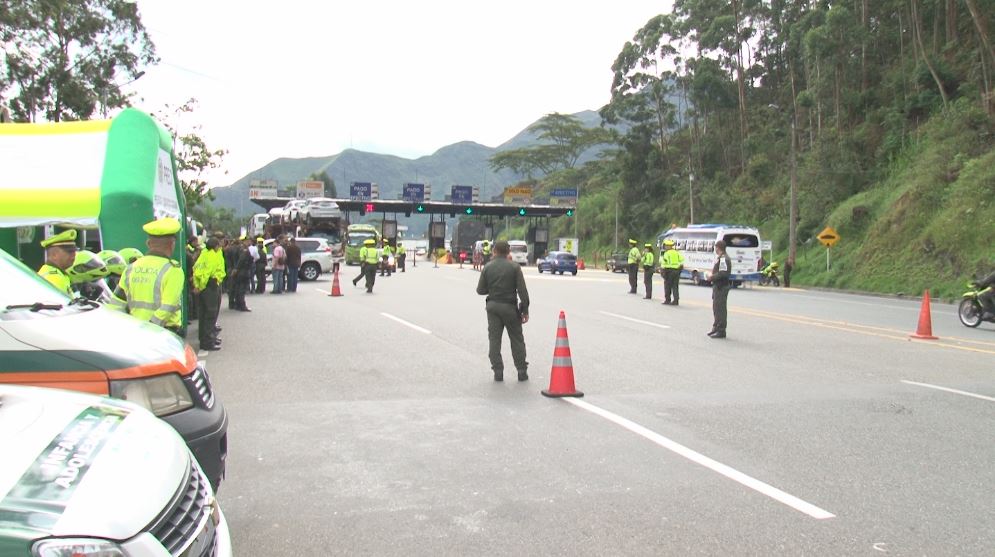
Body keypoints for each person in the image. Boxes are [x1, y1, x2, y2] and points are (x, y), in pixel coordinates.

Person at [108, 217, 185, 334]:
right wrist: (150, 328)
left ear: (148, 243)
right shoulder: (173, 270)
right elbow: (168, 307)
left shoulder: (131, 268)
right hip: (164, 334)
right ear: (172, 244)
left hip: (135, 332)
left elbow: (116, 304)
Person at [476, 240, 530, 382]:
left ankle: (498, 372)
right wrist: (525, 310)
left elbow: (480, 290)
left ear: (494, 251)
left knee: (494, 340)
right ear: (508, 252)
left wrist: (493, 289)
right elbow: (522, 291)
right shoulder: (514, 267)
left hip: (493, 307)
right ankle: (521, 371)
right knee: (517, 339)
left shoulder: (488, 267)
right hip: (510, 308)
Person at [192, 237, 225, 351]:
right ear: (216, 246)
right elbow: (206, 273)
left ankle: (204, 339)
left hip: (204, 287)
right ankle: (207, 342)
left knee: (203, 314)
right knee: (210, 315)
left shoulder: (203, 254)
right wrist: (201, 286)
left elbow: (196, 270)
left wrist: (197, 286)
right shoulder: (212, 256)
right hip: (209, 287)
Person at [37, 229, 78, 297]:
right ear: (54, 255)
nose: (74, 254)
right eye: (69, 251)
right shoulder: (53, 277)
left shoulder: (58, 273)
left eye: (74, 251)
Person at [708, 240, 732, 339]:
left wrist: (711, 277)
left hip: (721, 286)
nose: (715, 249)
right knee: (716, 307)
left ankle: (721, 330)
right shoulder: (721, 258)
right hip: (718, 286)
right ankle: (716, 327)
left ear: (719, 248)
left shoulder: (724, 259)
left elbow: (723, 273)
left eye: (716, 247)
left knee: (720, 309)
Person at [231, 236, 254, 311]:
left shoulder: (236, 248)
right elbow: (242, 260)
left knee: (238, 289)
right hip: (243, 271)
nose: (249, 242)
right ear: (244, 241)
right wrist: (236, 269)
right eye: (248, 241)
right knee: (242, 289)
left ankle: (237, 304)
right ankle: (242, 305)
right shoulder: (244, 250)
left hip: (239, 271)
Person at [660, 239, 685, 305]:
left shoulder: (666, 253)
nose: (664, 247)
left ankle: (667, 300)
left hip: (668, 271)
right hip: (677, 271)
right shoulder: (677, 253)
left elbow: (663, 263)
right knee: (675, 286)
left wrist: (662, 270)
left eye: (665, 246)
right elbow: (682, 260)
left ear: (668, 246)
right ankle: (676, 300)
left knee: (667, 286)